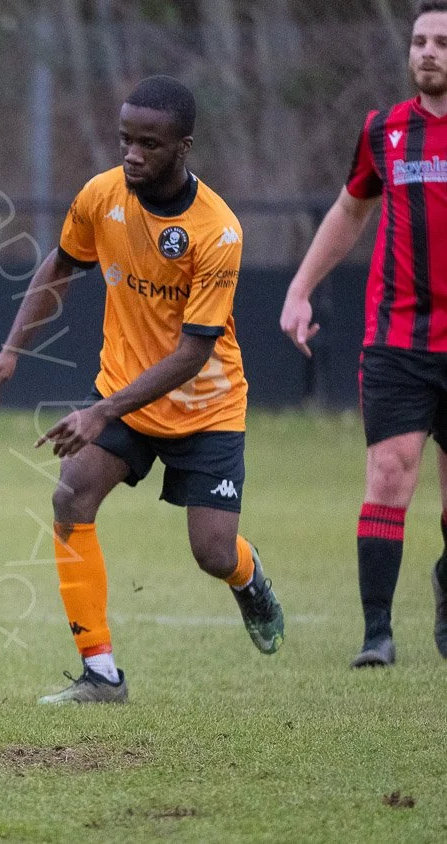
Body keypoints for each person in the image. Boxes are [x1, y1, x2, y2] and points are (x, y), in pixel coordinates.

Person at [0, 75, 285, 704]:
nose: (132, 154)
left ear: (184, 147)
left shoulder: (217, 230)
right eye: (125, 140)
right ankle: (101, 674)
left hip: (207, 407)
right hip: (125, 396)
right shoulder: (102, 196)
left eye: (149, 143)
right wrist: (11, 349)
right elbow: (60, 265)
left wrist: (100, 411)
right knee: (71, 497)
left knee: (213, 552)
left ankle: (250, 582)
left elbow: (194, 351)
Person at [280, 2, 447, 668]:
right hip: (398, 340)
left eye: (440, 42)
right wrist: (298, 289)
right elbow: (351, 210)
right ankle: (377, 634)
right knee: (389, 476)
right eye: (420, 41)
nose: (428, 51)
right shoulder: (385, 131)